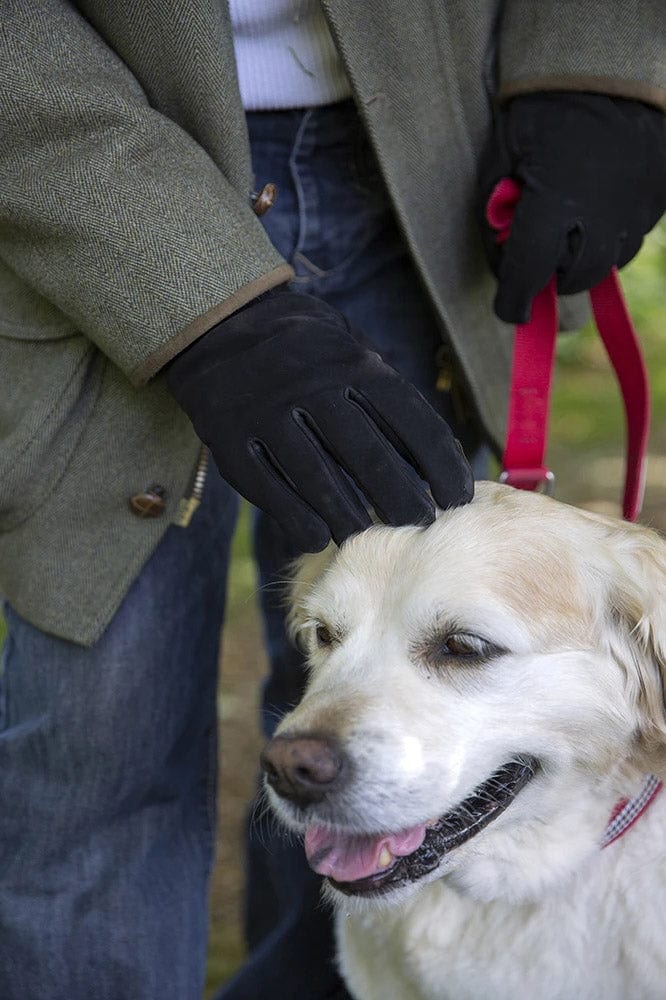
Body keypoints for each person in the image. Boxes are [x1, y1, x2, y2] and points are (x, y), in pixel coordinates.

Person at [0, 2, 664, 999]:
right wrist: (199, 307)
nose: (304, 743)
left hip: (437, 177)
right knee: (99, 745)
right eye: (325, 633)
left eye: (463, 647)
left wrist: (596, 67)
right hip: (87, 179)